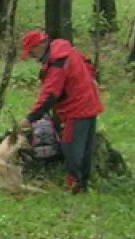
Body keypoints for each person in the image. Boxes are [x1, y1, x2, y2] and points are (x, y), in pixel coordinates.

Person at [18, 30, 104, 193]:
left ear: (40, 46)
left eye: (31, 52)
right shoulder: (66, 50)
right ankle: (82, 184)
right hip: (90, 104)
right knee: (85, 147)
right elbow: (89, 66)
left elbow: (50, 95)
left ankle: (74, 186)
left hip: (76, 109)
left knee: (70, 147)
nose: (32, 57)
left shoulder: (58, 61)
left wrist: (29, 118)